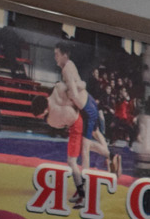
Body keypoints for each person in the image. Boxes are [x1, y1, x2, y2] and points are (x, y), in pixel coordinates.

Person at [52, 42, 121, 202]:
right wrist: (76, 86)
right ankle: (111, 156)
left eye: (57, 54)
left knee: (85, 150)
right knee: (91, 141)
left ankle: (85, 189)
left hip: (87, 110)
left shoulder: (67, 69)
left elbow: (75, 95)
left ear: (64, 55)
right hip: (88, 104)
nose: (55, 57)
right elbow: (81, 85)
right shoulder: (69, 65)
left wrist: (63, 92)